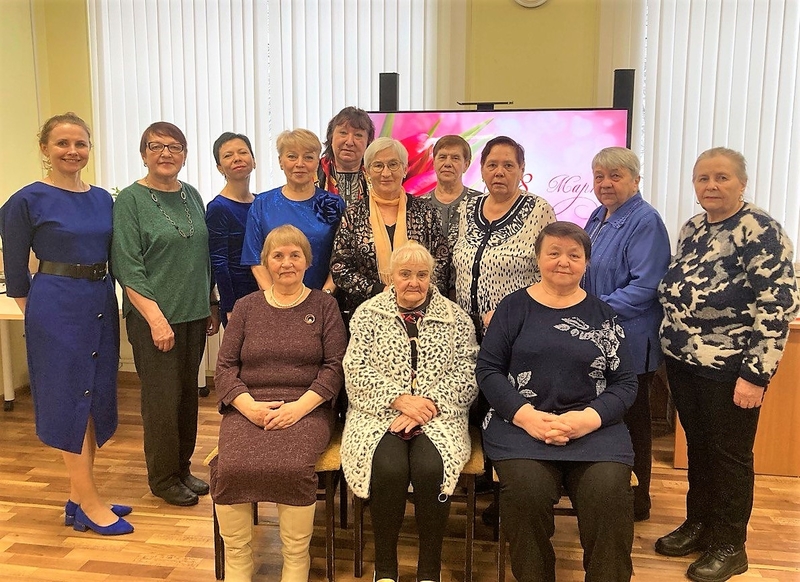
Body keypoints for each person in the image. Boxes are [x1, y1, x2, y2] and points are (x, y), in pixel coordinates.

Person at [656, 147, 799, 582]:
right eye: (703, 178)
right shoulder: (693, 227)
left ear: (742, 183)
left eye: (722, 177)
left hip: (731, 368)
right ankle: (699, 525)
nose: (711, 185)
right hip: (684, 361)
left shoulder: (760, 230)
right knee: (700, 450)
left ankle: (730, 545)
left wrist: (756, 375)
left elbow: (777, 307)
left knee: (730, 457)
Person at [476, 221, 638, 582]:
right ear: (538, 258)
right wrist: (526, 417)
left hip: (594, 430)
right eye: (554, 253)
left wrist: (587, 419)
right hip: (520, 427)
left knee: (609, 494)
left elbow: (625, 383)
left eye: (574, 255)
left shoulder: (604, 315)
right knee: (526, 493)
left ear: (586, 263)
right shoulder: (513, 308)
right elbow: (488, 370)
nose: (563, 261)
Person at [0, 113, 133, 536]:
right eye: (62, 143)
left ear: (89, 148)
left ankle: (79, 497)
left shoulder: (103, 199)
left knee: (92, 396)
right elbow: (16, 273)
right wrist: (41, 313)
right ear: (44, 148)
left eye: (80, 143)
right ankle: (89, 502)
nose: (72, 151)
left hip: (99, 299)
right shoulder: (26, 200)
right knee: (67, 398)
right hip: (56, 305)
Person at [211, 224, 346, 582]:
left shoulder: (325, 306)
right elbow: (224, 368)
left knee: (292, 467)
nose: (287, 263)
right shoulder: (246, 307)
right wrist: (249, 407)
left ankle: (296, 562)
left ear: (308, 261)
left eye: (295, 255)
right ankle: (239, 562)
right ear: (266, 262)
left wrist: (298, 408)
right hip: (248, 406)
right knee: (230, 468)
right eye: (278, 255)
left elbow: (334, 368)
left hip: (307, 407)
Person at [341, 241, 478, 582]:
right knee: (388, 469)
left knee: (432, 469)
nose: (414, 282)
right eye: (405, 274)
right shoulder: (368, 314)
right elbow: (355, 369)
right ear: (390, 277)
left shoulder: (456, 318)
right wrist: (398, 400)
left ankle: (429, 569)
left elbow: (467, 371)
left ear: (431, 277)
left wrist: (426, 406)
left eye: (421, 274)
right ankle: (385, 568)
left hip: (441, 414)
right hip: (377, 413)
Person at [111, 121, 221, 507]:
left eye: (174, 147)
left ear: (185, 155)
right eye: (156, 146)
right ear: (144, 154)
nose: (165, 153)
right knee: (161, 401)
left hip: (192, 314)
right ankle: (162, 478)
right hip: (153, 319)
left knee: (187, 397)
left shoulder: (192, 195)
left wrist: (210, 302)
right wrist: (156, 320)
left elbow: (201, 256)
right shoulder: (130, 201)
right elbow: (127, 265)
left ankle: (182, 468)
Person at [581, 147, 671, 522]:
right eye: (599, 176)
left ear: (635, 180)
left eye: (615, 176)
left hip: (630, 340)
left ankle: (638, 500)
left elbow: (646, 285)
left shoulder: (645, 220)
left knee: (633, 421)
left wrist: (593, 309)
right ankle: (606, 494)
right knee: (606, 418)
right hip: (597, 336)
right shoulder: (597, 216)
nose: (605, 183)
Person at [330, 137, 450, 315]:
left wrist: (414, 294)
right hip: (368, 312)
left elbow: (441, 261)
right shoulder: (353, 214)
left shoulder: (426, 212)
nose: (386, 173)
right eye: (378, 166)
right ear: (367, 172)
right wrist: (381, 291)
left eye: (393, 165)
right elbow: (340, 267)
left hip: (421, 311)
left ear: (405, 169)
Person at [452, 136, 556, 338]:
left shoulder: (540, 210)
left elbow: (552, 275)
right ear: (482, 170)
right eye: (492, 165)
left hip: (518, 331)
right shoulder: (467, 207)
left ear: (521, 170)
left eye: (508, 165)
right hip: (465, 332)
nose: (499, 172)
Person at [241, 129, 345, 293]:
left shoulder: (334, 204)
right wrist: (275, 298)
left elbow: (343, 256)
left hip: (324, 298)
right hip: (274, 299)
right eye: (292, 156)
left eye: (308, 157)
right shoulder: (262, 203)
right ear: (280, 161)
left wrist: (324, 297)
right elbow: (255, 258)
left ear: (317, 162)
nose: (300, 164)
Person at [205, 132, 259, 327]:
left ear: (254, 161)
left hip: (268, 293)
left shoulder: (261, 202)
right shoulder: (218, 207)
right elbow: (219, 263)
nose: (237, 158)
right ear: (220, 167)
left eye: (243, 152)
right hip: (238, 299)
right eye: (228, 155)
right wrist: (229, 306)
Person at [420, 134, 481, 243]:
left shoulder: (481, 204)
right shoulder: (419, 205)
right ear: (434, 162)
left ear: (466, 165)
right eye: (442, 157)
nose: (447, 163)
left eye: (455, 158)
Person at [317, 105, 375, 205]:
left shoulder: (378, 174)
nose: (349, 142)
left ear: (368, 141)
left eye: (358, 135)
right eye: (343, 133)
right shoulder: (312, 172)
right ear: (331, 137)